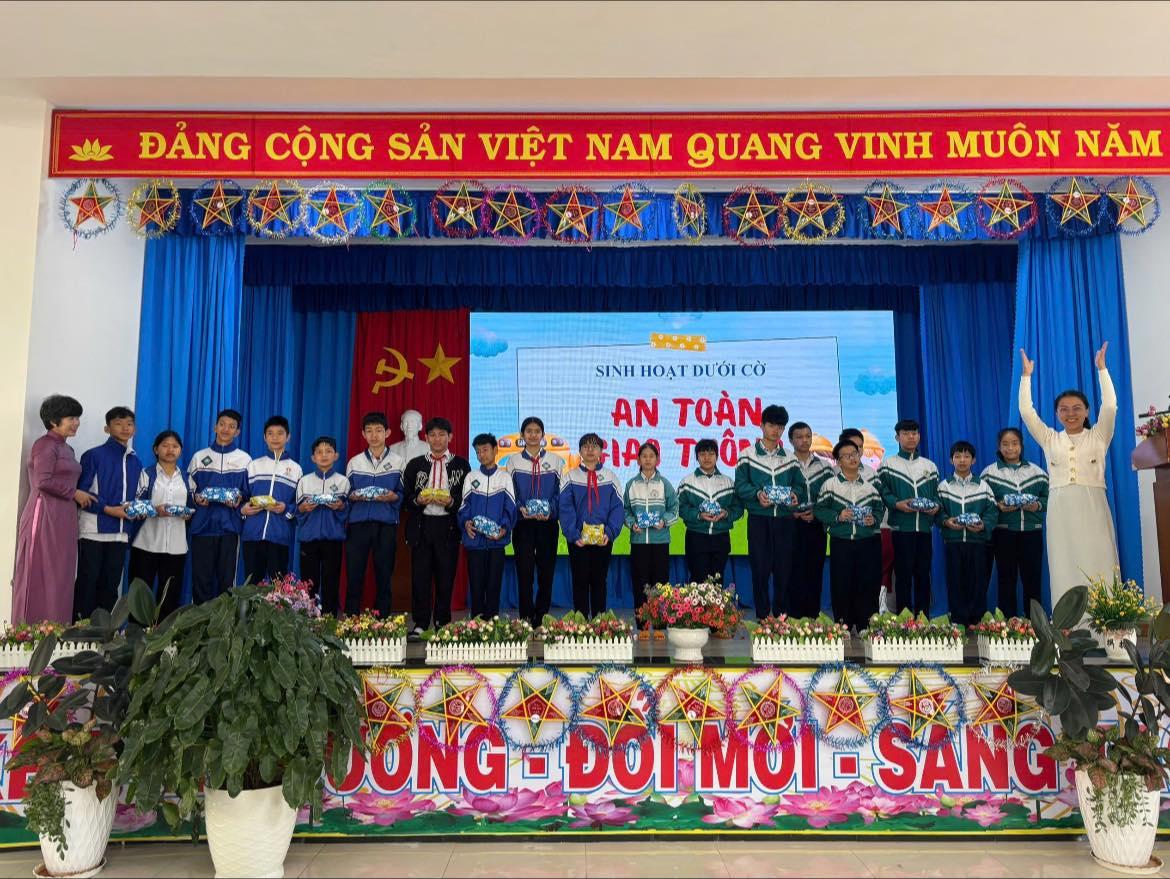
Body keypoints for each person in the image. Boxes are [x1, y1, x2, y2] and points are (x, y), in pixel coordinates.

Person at [1019, 343, 1119, 607]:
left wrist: (1102, 369)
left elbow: (1110, 406)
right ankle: (1068, 624)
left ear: (1087, 411)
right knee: (1064, 562)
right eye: (1064, 409)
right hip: (1060, 508)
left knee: (1100, 559)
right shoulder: (1050, 439)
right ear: (1057, 413)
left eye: (1077, 408)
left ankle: (1107, 620)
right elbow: (1027, 412)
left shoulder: (1099, 436)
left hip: (1093, 505)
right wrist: (1026, 377)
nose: (1071, 413)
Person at [13, 395, 88, 623]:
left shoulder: (68, 449)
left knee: (60, 575)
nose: (76, 422)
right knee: (40, 571)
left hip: (65, 517)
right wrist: (74, 493)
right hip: (44, 513)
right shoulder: (44, 445)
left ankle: (56, 629)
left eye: (77, 418)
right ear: (54, 421)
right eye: (71, 418)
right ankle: (30, 632)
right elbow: (42, 481)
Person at [402, 417, 471, 637]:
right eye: (432, 435)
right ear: (426, 437)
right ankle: (420, 623)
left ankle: (443, 623)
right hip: (421, 526)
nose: (437, 439)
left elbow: (467, 498)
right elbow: (405, 498)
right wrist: (417, 500)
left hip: (448, 527)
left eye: (442, 434)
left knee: (445, 576)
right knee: (420, 577)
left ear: (450, 437)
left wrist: (451, 502)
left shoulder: (462, 465)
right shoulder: (415, 464)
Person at [75, 406, 143, 619]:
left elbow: (135, 497)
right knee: (88, 583)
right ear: (107, 428)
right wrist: (108, 510)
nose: (125, 428)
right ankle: (79, 631)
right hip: (93, 530)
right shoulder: (93, 455)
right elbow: (82, 494)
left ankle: (104, 632)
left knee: (110, 586)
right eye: (118, 423)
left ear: (135, 429)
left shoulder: (136, 461)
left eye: (129, 424)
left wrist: (138, 510)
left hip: (120, 533)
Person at [734, 404, 801, 618]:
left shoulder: (790, 458)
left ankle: (781, 616)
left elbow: (800, 486)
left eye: (780, 427)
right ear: (762, 425)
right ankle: (762, 616)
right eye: (771, 425)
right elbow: (740, 486)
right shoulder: (747, 455)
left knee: (784, 569)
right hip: (759, 520)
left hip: (784, 520)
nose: (775, 430)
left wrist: (795, 495)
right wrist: (757, 494)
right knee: (760, 570)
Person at [815, 441, 884, 632]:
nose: (852, 458)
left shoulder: (870, 487)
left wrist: (874, 519)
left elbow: (879, 509)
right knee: (841, 584)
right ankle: (843, 625)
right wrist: (838, 516)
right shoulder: (830, 485)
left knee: (866, 584)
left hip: (865, 541)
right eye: (847, 456)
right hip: (841, 542)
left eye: (854, 454)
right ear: (838, 462)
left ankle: (864, 626)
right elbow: (819, 510)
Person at [981, 427, 1049, 617]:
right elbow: (982, 502)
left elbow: (1050, 497)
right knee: (1006, 579)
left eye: (1014, 443)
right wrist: (998, 506)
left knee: (1033, 579)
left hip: (1032, 532)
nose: (1010, 448)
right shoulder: (989, 473)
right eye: (1005, 444)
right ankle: (1008, 624)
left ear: (1021, 445)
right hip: (1003, 533)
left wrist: (1037, 505)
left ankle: (1035, 622)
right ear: (999, 447)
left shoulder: (1037, 472)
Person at [504, 416, 565, 627]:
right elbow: (510, 492)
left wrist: (551, 510)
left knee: (546, 573)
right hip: (523, 524)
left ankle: (542, 617)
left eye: (537, 431)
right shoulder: (513, 461)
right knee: (525, 572)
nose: (532, 435)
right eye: (528, 431)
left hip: (548, 524)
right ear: (522, 435)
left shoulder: (556, 461)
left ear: (542, 435)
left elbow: (560, 493)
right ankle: (526, 618)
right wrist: (520, 508)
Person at [345, 412, 405, 617]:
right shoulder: (354, 462)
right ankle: (351, 620)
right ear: (363, 434)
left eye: (379, 430)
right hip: (358, 524)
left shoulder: (398, 462)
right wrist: (353, 496)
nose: (374, 435)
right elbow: (346, 493)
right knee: (354, 574)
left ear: (387, 432)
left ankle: (383, 621)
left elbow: (403, 493)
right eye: (369, 431)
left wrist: (393, 497)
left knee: (384, 574)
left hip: (386, 524)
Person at [188, 409, 251, 603]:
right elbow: (189, 490)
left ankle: (226, 622)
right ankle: (199, 621)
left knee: (227, 583)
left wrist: (239, 498)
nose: (226, 429)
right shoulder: (199, 457)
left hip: (230, 528)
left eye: (232, 426)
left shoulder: (245, 460)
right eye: (222, 424)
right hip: (202, 527)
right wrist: (196, 498)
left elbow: (248, 493)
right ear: (215, 427)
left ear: (237, 432)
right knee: (201, 581)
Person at [559, 432, 625, 617]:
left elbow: (617, 508)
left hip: (603, 540)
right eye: (586, 446)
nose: (590, 450)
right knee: (579, 581)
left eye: (594, 446)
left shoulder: (610, 477)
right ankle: (580, 623)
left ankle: (599, 622)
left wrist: (609, 533)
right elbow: (565, 508)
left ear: (601, 451)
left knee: (599, 581)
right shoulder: (570, 477)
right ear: (580, 451)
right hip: (578, 541)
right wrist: (574, 535)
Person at [879, 419, 940, 614]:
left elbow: (937, 495)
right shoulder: (888, 465)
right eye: (906, 433)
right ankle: (904, 619)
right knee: (903, 576)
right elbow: (882, 492)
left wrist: (935, 506)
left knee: (923, 575)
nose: (911, 437)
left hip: (924, 529)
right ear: (897, 437)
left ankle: (923, 618)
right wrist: (896, 504)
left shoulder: (930, 466)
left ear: (919, 436)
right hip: (900, 528)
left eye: (914, 433)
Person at [130, 430, 192, 618]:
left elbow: (193, 506)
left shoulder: (187, 478)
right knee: (140, 597)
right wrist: (155, 510)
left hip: (176, 546)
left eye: (175, 446)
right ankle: (136, 633)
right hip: (146, 543)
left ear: (180, 450)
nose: (170, 450)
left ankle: (165, 634)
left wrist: (189, 514)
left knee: (170, 597)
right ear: (156, 449)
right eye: (165, 445)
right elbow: (134, 505)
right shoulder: (146, 474)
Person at [937, 440, 999, 625]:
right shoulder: (943, 486)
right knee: (955, 582)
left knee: (978, 582)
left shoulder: (983, 486)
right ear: (951, 460)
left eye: (966, 456)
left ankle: (977, 620)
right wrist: (946, 521)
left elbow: (992, 511)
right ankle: (958, 620)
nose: (962, 460)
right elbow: (938, 511)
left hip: (977, 542)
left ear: (973, 460)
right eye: (957, 456)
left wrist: (983, 525)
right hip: (953, 542)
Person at [457, 433, 517, 618]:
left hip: (496, 543)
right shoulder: (471, 477)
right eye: (478, 451)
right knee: (476, 586)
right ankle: (477, 624)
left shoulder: (505, 477)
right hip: (474, 542)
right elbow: (464, 507)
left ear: (495, 450)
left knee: (493, 586)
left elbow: (510, 508)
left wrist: (503, 529)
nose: (481, 454)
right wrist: (466, 523)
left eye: (485, 450)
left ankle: (492, 624)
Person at [240, 415, 301, 584]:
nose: (275, 437)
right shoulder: (254, 465)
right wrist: (243, 509)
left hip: (279, 535)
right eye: (270, 433)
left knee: (278, 587)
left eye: (280, 433)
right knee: (251, 586)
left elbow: (298, 506)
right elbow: (243, 496)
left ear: (288, 437)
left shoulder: (296, 469)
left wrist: (285, 509)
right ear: (264, 437)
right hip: (252, 535)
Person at [296, 436, 350, 614]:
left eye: (328, 451)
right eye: (319, 452)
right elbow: (298, 512)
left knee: (331, 581)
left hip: (333, 540)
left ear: (336, 455)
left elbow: (347, 512)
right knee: (308, 583)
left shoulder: (343, 481)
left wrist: (340, 506)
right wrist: (303, 508)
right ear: (313, 457)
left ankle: (329, 619)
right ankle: (308, 619)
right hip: (309, 539)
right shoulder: (304, 481)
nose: (324, 455)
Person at [677, 438, 742, 584]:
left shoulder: (728, 482)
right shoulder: (687, 482)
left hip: (721, 537)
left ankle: (716, 601)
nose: (707, 458)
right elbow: (680, 508)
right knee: (697, 580)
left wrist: (726, 513)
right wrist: (698, 515)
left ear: (717, 456)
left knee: (718, 580)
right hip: (696, 536)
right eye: (702, 454)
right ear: (697, 457)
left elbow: (738, 508)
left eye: (711, 454)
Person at [623, 442, 679, 609]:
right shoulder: (631, 484)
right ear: (638, 460)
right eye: (644, 456)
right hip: (639, 541)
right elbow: (625, 510)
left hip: (660, 542)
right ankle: (642, 623)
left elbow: (675, 508)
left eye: (651, 456)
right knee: (640, 584)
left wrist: (664, 521)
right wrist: (632, 524)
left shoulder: (664, 484)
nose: (647, 459)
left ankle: (660, 623)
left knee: (660, 585)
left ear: (657, 460)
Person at [840, 427, 894, 596]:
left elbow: (881, 503)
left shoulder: (871, 473)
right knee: (844, 582)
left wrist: (875, 518)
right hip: (842, 536)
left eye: (860, 447)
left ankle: (870, 612)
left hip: (868, 535)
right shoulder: (832, 474)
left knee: (868, 581)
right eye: (852, 446)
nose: (857, 451)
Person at [789, 422, 833, 618]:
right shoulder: (785, 465)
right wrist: (792, 512)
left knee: (815, 570)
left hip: (816, 524)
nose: (804, 440)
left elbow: (831, 497)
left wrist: (817, 513)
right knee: (793, 571)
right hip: (792, 524)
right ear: (791, 440)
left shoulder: (825, 467)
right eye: (799, 437)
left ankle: (813, 617)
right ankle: (793, 618)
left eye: (808, 436)